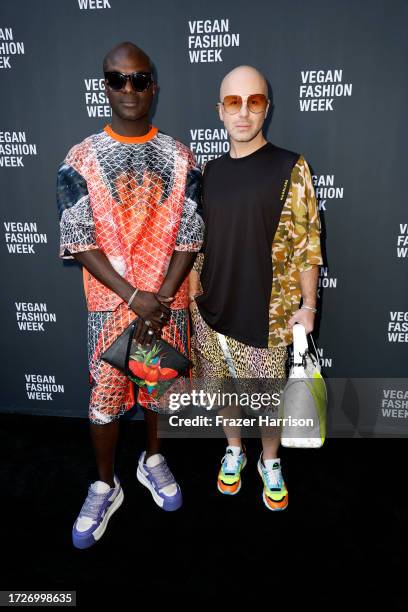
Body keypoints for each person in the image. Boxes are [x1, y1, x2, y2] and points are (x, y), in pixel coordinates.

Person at [57, 42, 204, 548]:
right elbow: (78, 239)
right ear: (105, 86)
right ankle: (104, 484)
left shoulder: (182, 157)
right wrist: (131, 295)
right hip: (109, 307)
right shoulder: (80, 158)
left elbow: (191, 231)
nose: (129, 89)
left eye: (139, 79)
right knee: (103, 402)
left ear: (154, 87)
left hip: (166, 304)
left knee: (160, 390)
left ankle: (154, 459)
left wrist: (158, 299)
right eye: (118, 80)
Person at [189, 65, 323, 511]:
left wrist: (308, 304)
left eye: (254, 101)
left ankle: (269, 460)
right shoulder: (208, 171)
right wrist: (192, 287)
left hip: (266, 315)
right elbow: (200, 239)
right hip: (210, 310)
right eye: (233, 102)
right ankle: (234, 450)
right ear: (220, 111)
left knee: (267, 403)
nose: (243, 112)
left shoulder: (290, 167)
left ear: (267, 107)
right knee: (224, 392)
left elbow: (307, 242)